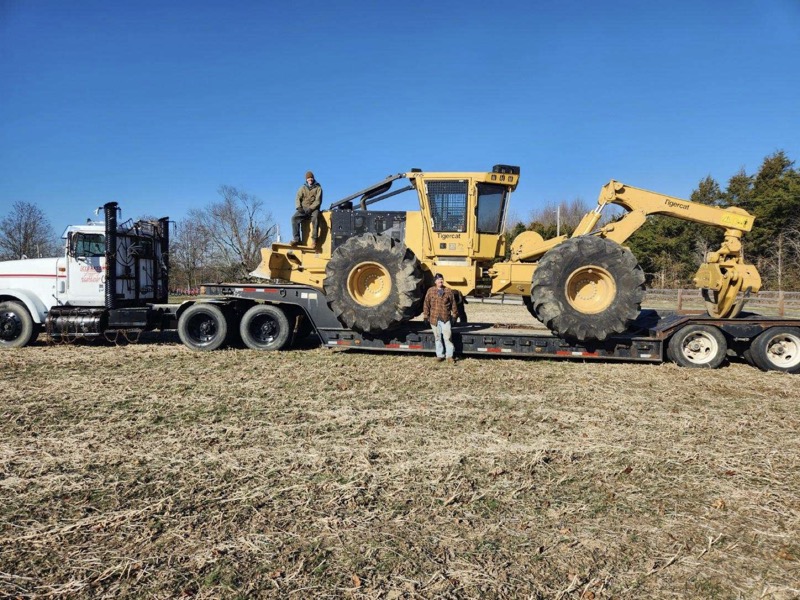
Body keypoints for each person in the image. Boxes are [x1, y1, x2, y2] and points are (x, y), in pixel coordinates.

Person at [422, 273, 459, 363]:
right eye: (438, 279)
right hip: (434, 319)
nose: (440, 281)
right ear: (435, 281)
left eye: (442, 279)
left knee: (448, 337)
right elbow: (426, 304)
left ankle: (449, 356)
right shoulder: (430, 291)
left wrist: (454, 316)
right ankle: (440, 355)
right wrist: (425, 316)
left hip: (445, 318)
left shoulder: (448, 291)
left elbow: (453, 304)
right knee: (437, 338)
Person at [291, 171, 323, 245]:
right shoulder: (302, 188)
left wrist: (311, 208)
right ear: (306, 179)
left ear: (313, 178)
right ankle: (297, 239)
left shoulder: (318, 188)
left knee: (316, 218)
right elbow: (297, 197)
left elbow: (318, 201)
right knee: (294, 218)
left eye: (311, 178)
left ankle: (314, 240)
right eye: (308, 178)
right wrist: (299, 207)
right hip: (304, 208)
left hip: (314, 209)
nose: (310, 179)